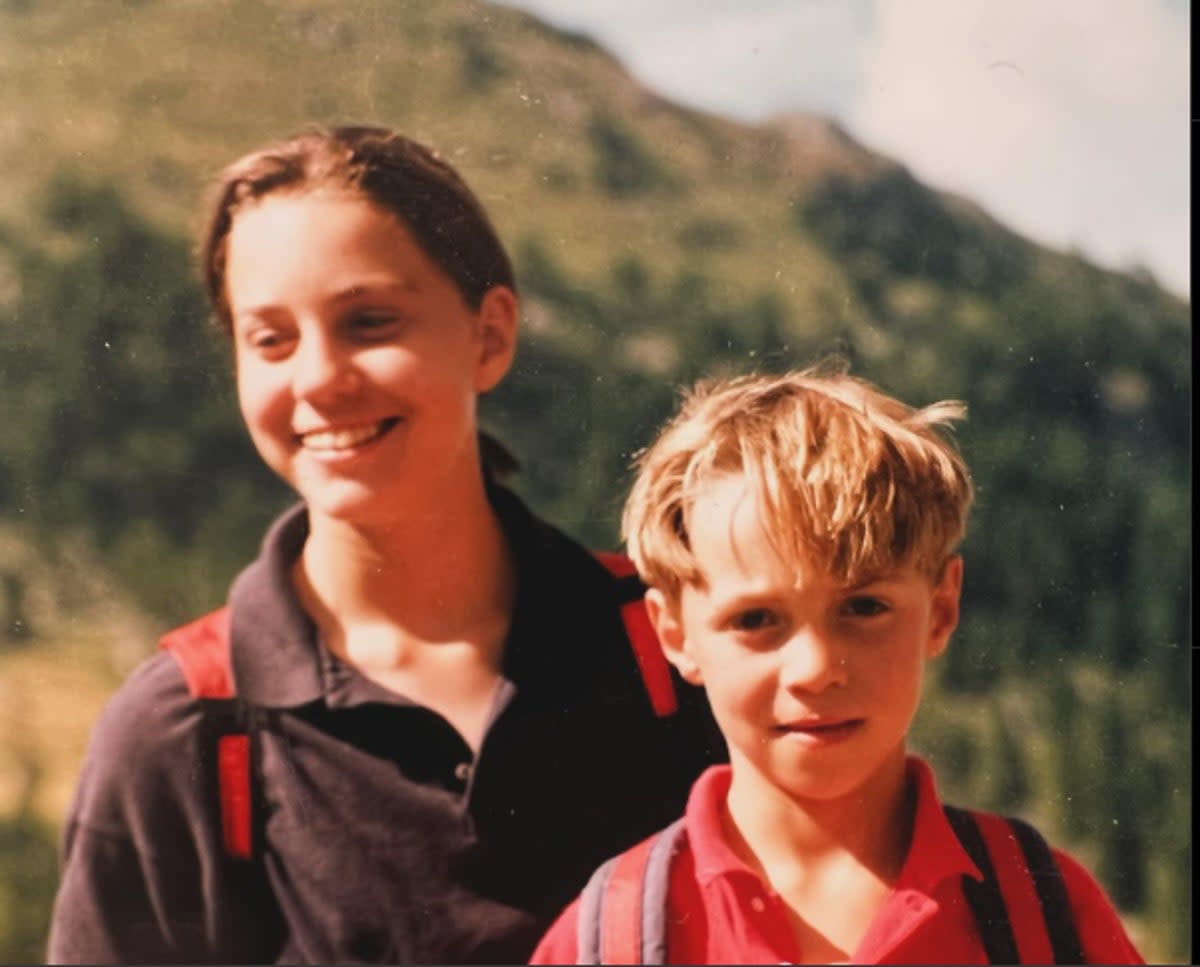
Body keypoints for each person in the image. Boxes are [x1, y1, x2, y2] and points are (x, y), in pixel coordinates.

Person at [46, 125, 724, 964]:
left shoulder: (684, 648)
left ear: (490, 335)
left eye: (369, 321)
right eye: (270, 338)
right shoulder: (182, 731)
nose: (319, 378)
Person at [531, 367, 1144, 965]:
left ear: (941, 607)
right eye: (755, 620)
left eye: (863, 607)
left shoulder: (1044, 914)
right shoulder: (609, 942)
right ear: (673, 633)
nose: (816, 668)